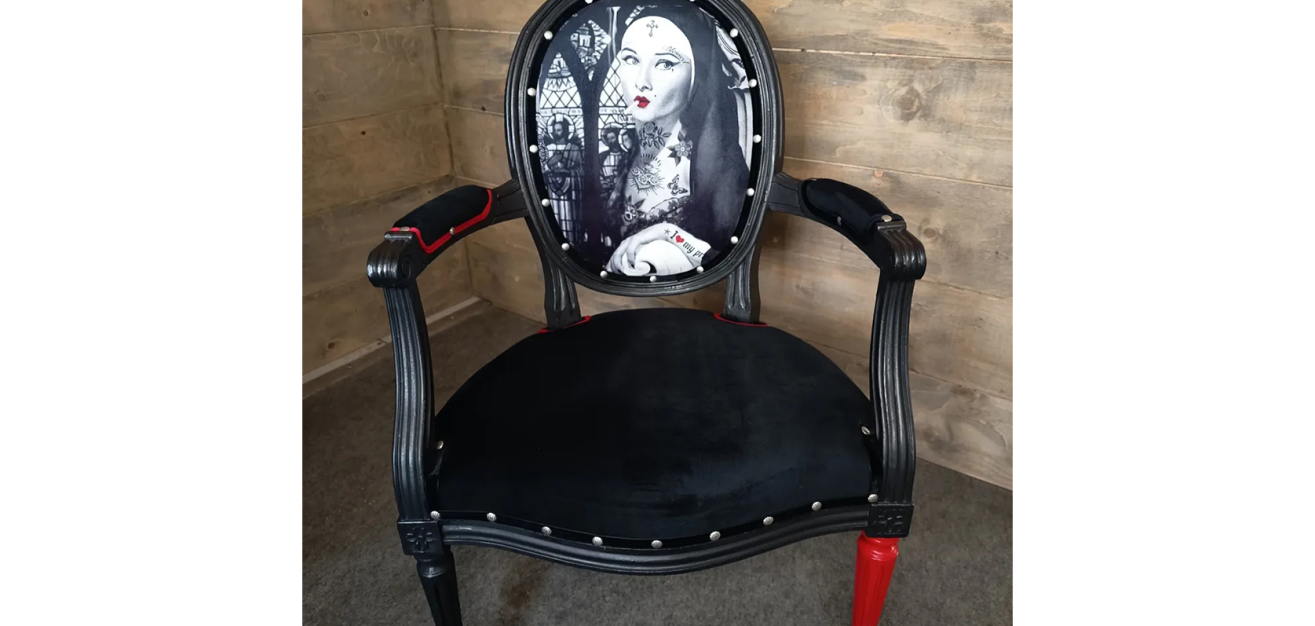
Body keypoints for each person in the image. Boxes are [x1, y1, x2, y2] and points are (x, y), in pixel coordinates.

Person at [599, 1, 750, 276]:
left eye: (665, 63)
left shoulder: (719, 166)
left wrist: (671, 234)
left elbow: (729, 259)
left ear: (696, 75)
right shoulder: (627, 150)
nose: (642, 81)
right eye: (631, 59)